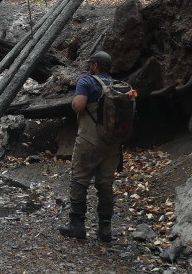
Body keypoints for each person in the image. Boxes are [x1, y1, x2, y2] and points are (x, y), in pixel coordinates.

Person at [59, 50, 118, 242]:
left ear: (94, 66)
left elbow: (78, 105)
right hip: (112, 144)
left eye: (90, 64)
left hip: (89, 141)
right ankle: (105, 230)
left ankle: (77, 225)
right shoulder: (119, 85)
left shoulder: (87, 81)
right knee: (105, 184)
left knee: (79, 180)